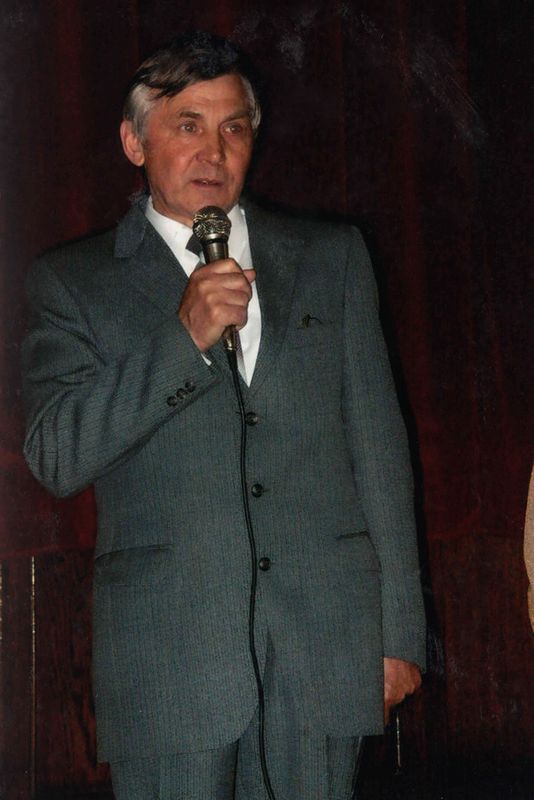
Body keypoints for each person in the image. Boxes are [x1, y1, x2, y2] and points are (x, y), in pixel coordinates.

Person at [22, 31, 425, 800]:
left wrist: (399, 636)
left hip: (325, 657)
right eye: (188, 125)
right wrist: (183, 340)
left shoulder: (331, 258)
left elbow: (381, 456)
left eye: (233, 127)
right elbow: (56, 455)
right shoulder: (73, 283)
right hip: (171, 670)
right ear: (134, 142)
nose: (214, 150)